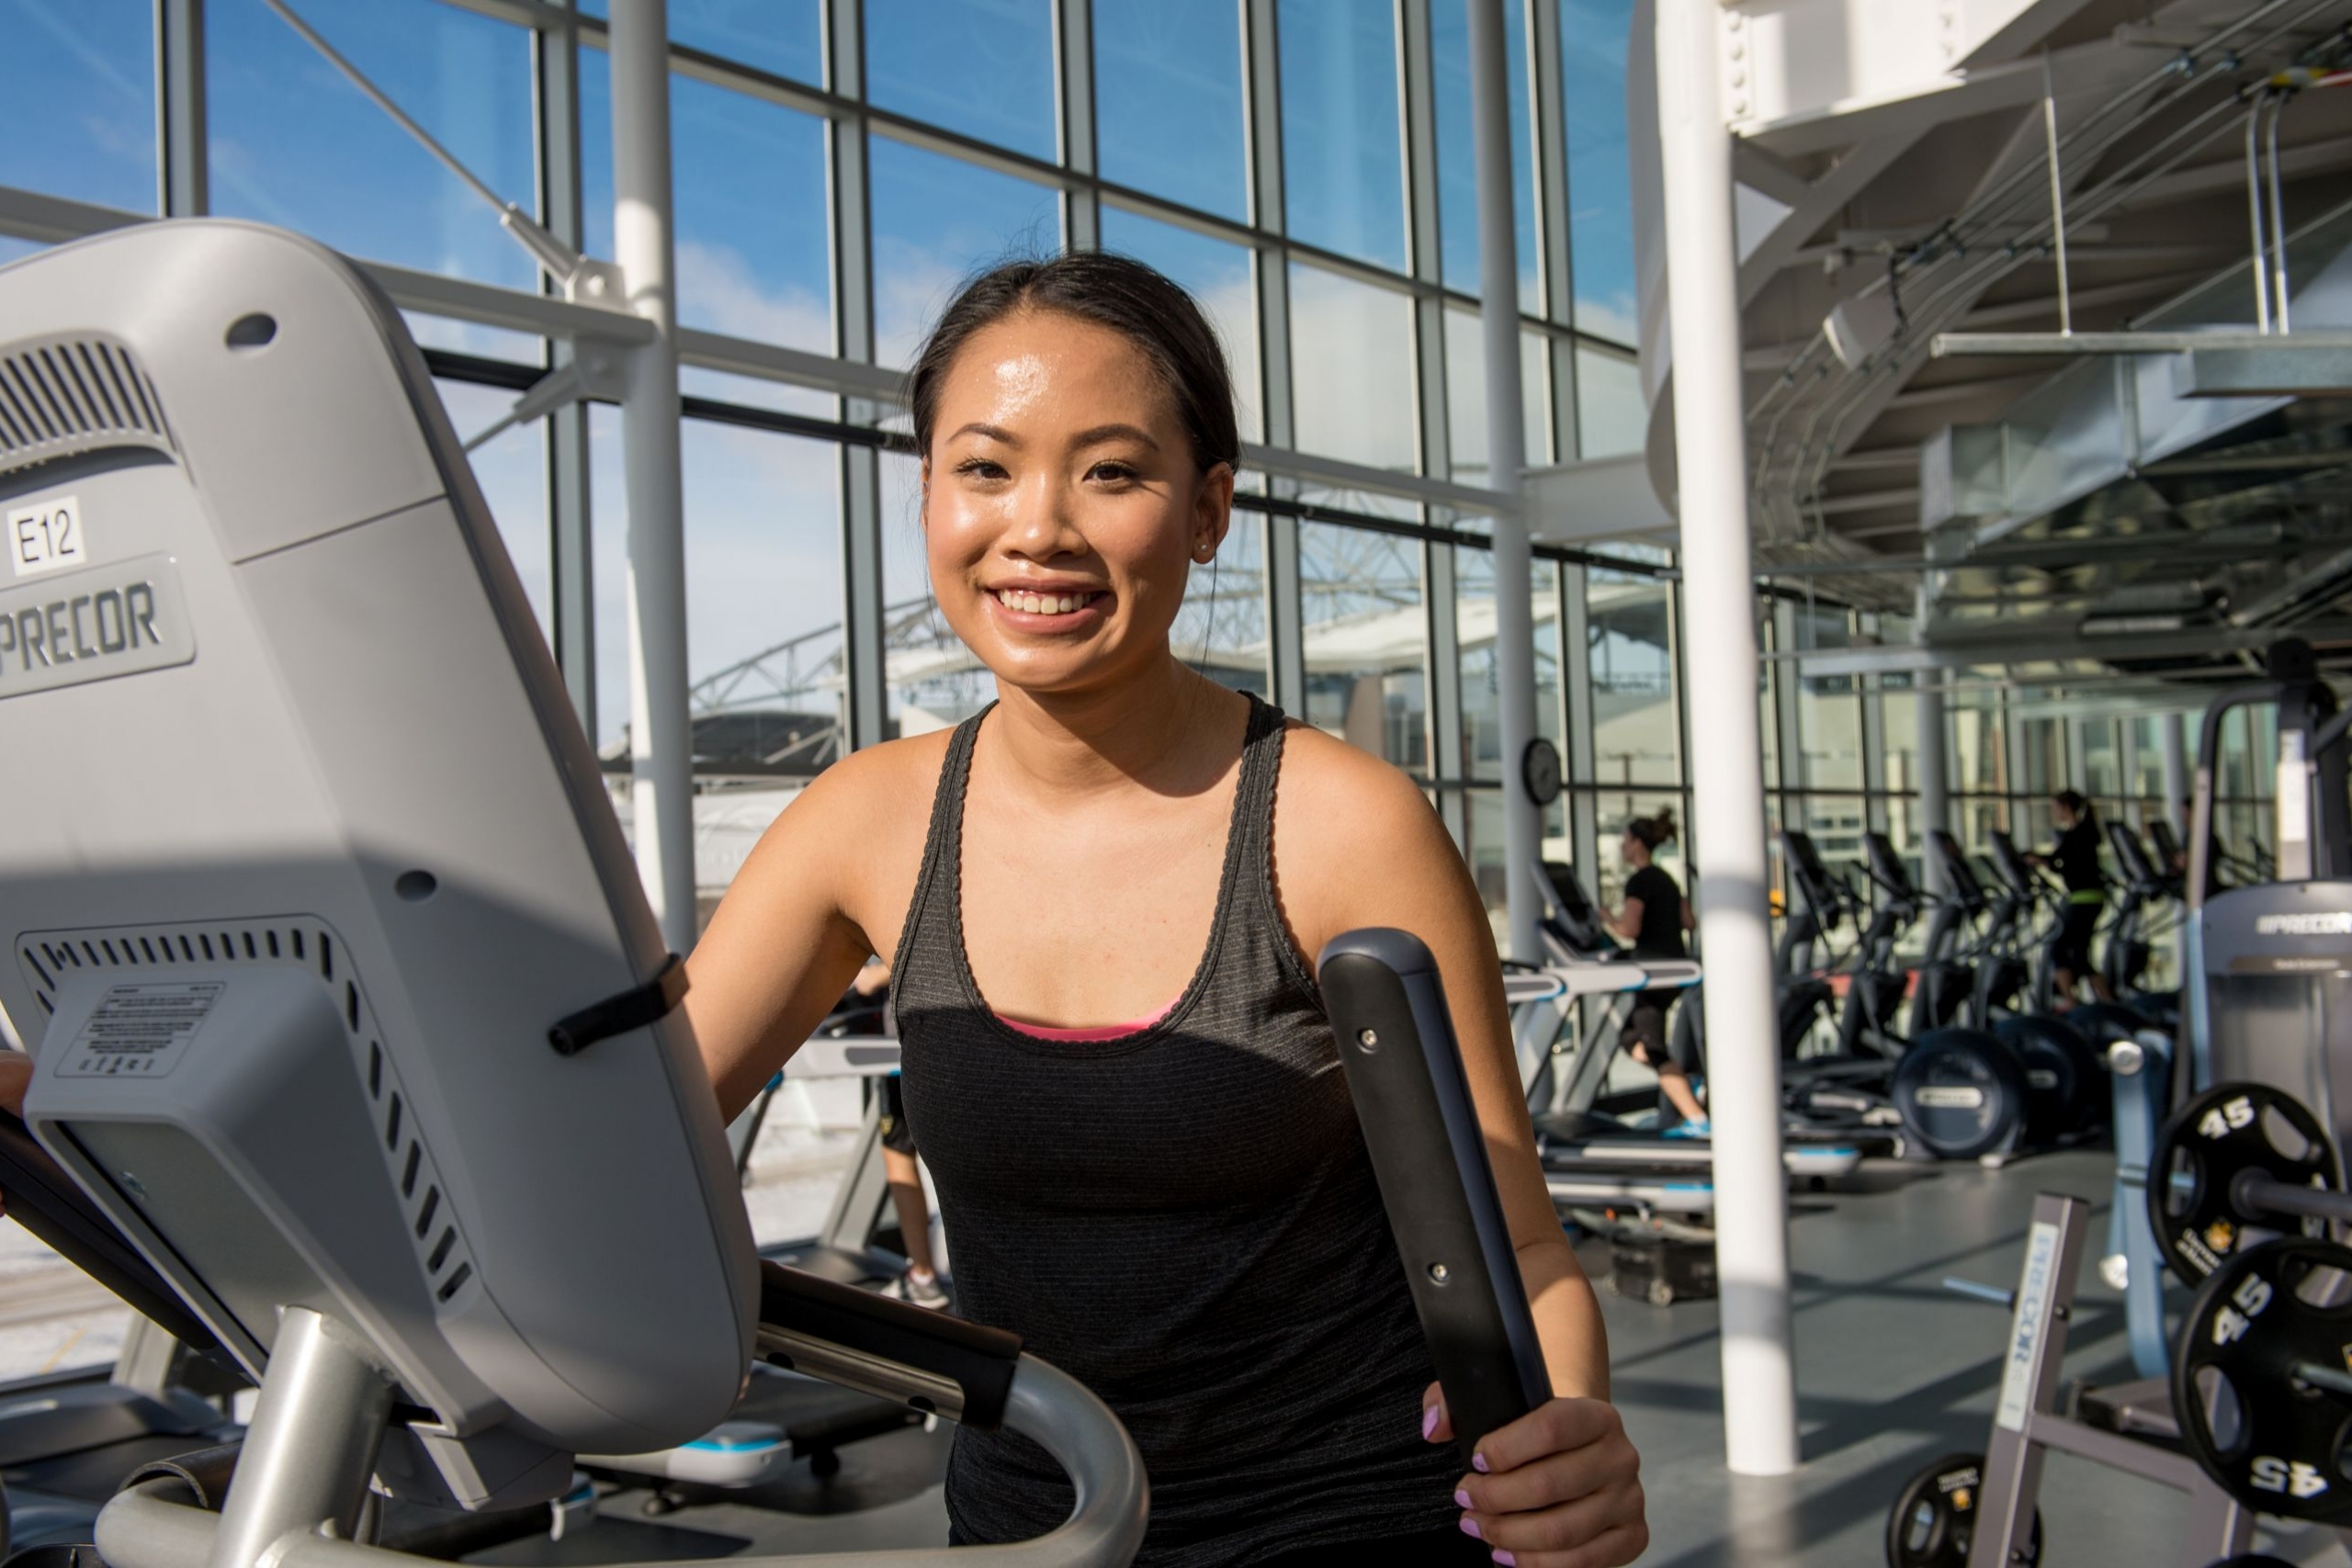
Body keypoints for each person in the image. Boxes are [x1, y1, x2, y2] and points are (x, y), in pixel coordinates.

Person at [684, 254, 1644, 1566]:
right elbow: (628, 1133)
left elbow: (1519, 1240)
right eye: (984, 467)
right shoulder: (867, 820)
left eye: (1112, 472)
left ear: (1208, 511)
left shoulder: (1338, 822)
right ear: (924, 497)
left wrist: (1571, 1423)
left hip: (1342, 1527)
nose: (1039, 528)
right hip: (1036, 1532)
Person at [845, 957, 949, 1310]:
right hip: (936, 1038)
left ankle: (922, 1277)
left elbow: (913, 941)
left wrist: (874, 976)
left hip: (911, 1045)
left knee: (899, 1158)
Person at [1603, 810, 1705, 1135]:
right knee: (1629, 1038)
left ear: (1637, 845)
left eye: (1625, 841)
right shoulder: (1665, 878)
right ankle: (1682, 1081)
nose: (1622, 847)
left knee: (1653, 1046)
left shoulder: (1640, 881)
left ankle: (1697, 1120)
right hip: (1676, 968)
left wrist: (1606, 918)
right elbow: (1689, 922)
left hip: (1652, 972)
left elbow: (1630, 929)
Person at [2031, 790, 2114, 1008]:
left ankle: (2071, 1001)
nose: (2055, 812)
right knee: (2079, 953)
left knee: (2058, 948)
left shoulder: (2077, 834)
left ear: (2066, 808)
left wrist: (2042, 863)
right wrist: (2041, 860)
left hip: (2083, 898)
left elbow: (2066, 865)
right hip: (2089, 897)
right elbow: (2059, 860)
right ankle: (2106, 1000)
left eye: (2056, 808)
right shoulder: (2082, 832)